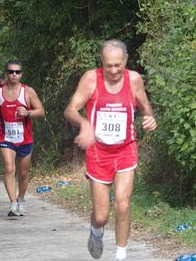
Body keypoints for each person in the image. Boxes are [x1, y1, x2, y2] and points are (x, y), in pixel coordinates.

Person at [64, 39, 157, 260]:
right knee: (101, 214)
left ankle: (121, 254)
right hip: (98, 153)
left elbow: (145, 108)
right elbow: (70, 110)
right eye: (109, 66)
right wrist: (84, 124)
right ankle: (96, 231)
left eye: (118, 64)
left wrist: (150, 119)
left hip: (126, 149)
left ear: (126, 60)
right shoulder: (90, 79)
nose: (114, 70)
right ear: (102, 63)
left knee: (123, 204)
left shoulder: (134, 80)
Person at [0, 59, 45, 217]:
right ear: (6, 73)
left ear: (21, 74)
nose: (14, 74)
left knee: (23, 172)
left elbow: (41, 111)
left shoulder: (28, 92)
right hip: (5, 137)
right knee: (9, 167)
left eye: (17, 72)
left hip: (24, 138)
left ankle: (21, 199)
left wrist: (28, 113)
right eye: (11, 72)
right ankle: (13, 204)